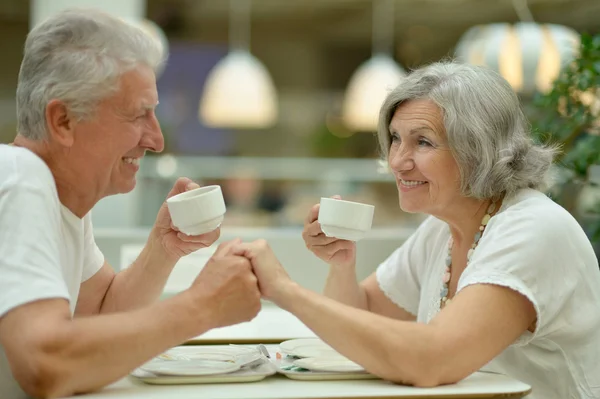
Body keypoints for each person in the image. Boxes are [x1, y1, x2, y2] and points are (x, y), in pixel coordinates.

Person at [233, 62, 600, 399]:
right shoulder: (441, 229)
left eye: (422, 142)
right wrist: (341, 261)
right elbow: (363, 320)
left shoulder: (533, 229)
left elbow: (430, 361)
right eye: (395, 138)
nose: (396, 161)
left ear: (478, 149)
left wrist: (284, 290)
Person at [0, 9, 261, 399]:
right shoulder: (21, 177)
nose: (156, 140)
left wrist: (163, 247)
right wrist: (203, 306)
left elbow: (104, 311)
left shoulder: (62, 200)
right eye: (139, 114)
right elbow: (46, 364)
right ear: (63, 121)